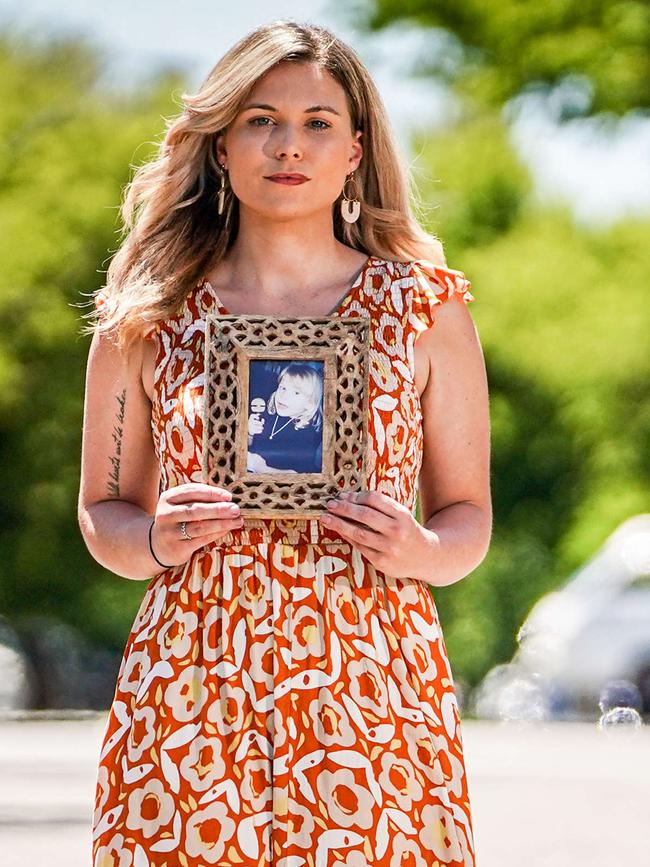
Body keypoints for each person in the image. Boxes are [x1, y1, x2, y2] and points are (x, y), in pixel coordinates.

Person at [78, 19, 491, 867]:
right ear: (220, 146)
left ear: (355, 149)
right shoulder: (146, 317)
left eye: (317, 122)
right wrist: (154, 536)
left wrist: (418, 546)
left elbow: (468, 518)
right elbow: (101, 510)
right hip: (192, 680)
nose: (287, 145)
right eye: (260, 120)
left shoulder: (425, 308)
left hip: (373, 675)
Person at [247, 361, 324, 473]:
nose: (284, 396)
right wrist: (249, 433)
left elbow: (300, 475)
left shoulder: (308, 434)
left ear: (310, 403)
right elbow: (251, 445)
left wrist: (261, 468)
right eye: (283, 388)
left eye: (296, 393)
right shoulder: (269, 414)